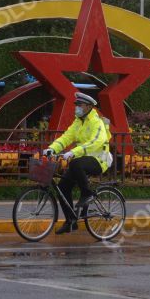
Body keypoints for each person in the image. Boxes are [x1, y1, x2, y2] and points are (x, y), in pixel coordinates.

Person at [42, 92, 112, 234]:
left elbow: (96, 142)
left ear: (88, 106)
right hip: (82, 160)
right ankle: (71, 221)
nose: (77, 108)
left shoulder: (96, 122)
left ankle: (88, 194)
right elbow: (66, 137)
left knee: (75, 163)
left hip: (100, 160)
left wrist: (75, 152)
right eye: (76, 105)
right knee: (62, 188)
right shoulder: (78, 121)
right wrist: (51, 149)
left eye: (79, 105)